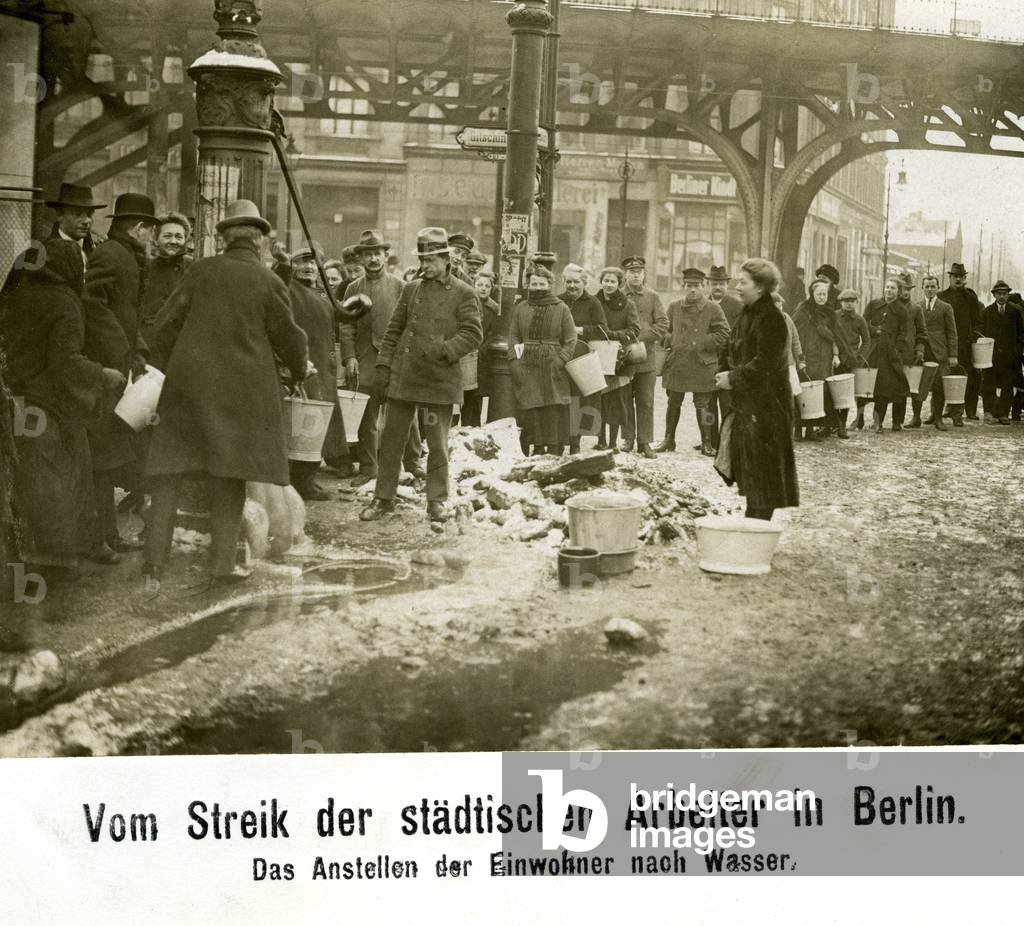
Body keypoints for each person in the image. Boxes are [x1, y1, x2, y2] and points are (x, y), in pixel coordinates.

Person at [143, 200, 309, 586]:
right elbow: (291, 339)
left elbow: (163, 325)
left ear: (225, 239)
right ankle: (222, 565)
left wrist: (176, 367)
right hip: (240, 395)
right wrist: (299, 370)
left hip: (186, 389)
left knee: (170, 470)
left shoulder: (199, 271)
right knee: (228, 474)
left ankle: (153, 561)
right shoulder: (269, 281)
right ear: (258, 242)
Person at [0, 240, 126, 583]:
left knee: (29, 482)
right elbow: (66, 362)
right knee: (56, 482)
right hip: (46, 406)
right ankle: (56, 563)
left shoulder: (14, 295)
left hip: (12, 401)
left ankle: (69, 548)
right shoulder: (64, 303)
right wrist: (103, 375)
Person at [360, 228, 482, 523]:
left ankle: (436, 501)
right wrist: (384, 366)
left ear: (445, 259)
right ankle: (383, 498)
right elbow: (393, 330)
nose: (425, 266)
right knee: (391, 440)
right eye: (422, 260)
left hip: (439, 379)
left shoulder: (464, 292)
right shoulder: (411, 289)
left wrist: (444, 350)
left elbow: (473, 333)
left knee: (437, 444)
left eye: (431, 260)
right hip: (405, 377)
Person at [82, 192, 160, 563]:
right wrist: (121, 352)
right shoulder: (112, 254)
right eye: (151, 230)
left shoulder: (126, 255)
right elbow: (91, 303)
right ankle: (97, 538)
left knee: (109, 456)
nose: (153, 238)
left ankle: (106, 536)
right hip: (106, 373)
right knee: (102, 457)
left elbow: (124, 313)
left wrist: (138, 351)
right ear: (139, 227)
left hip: (120, 368)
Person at [714, 258, 798, 521]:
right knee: (751, 472)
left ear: (760, 287)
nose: (737, 286)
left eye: (743, 282)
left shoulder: (771, 318)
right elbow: (731, 346)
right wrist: (723, 369)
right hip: (749, 405)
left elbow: (765, 364)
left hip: (767, 409)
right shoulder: (747, 312)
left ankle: (758, 528)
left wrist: (733, 377)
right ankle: (754, 522)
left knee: (764, 476)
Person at [340, 229, 424, 484]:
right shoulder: (353, 288)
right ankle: (369, 468)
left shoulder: (401, 286)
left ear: (386, 256)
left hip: (396, 358)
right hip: (365, 359)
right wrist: (350, 357)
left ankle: (412, 461)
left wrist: (407, 356)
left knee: (404, 410)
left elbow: (411, 324)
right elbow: (346, 326)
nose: (373, 259)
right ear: (361, 259)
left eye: (377, 253)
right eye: (368, 255)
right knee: (367, 416)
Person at [275, 245, 350, 500]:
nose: (308, 267)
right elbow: (278, 283)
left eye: (313, 263)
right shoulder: (288, 289)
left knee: (317, 426)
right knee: (300, 423)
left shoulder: (322, 294)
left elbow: (341, 316)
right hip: (302, 366)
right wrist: (283, 264)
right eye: (302, 262)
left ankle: (307, 478)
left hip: (324, 369)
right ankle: (296, 481)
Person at [657, 267, 729, 457]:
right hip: (678, 362)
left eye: (696, 286)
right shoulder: (674, 307)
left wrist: (701, 343)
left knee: (703, 404)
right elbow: (664, 329)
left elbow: (724, 333)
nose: (693, 290)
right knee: (673, 402)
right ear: (684, 286)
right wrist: (671, 339)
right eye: (689, 286)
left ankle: (707, 443)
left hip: (702, 363)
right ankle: (668, 439)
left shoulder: (713, 308)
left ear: (703, 286)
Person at [507, 267, 577, 456]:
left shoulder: (561, 307)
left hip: (553, 362)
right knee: (532, 405)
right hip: (527, 362)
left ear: (549, 285)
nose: (537, 287)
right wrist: (514, 361)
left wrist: (560, 360)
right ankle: (537, 446)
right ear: (528, 285)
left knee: (553, 405)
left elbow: (571, 339)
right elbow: (513, 335)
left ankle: (554, 447)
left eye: (541, 284)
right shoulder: (521, 307)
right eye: (534, 284)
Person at [2, 183, 105, 297]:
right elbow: (9, 300)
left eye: (90, 215)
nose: (86, 221)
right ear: (59, 215)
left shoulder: (97, 254)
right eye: (77, 214)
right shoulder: (33, 255)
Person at [619, 256, 668, 458]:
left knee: (646, 401)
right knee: (625, 400)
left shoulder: (653, 297)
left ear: (644, 274)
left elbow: (663, 324)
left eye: (639, 271)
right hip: (624, 357)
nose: (636, 275)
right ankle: (628, 439)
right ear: (625, 275)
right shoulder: (618, 296)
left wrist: (642, 336)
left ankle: (645, 442)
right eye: (632, 272)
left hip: (647, 359)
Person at [559, 264, 608, 453]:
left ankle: (574, 443)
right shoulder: (558, 301)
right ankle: (559, 439)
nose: (572, 286)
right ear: (563, 282)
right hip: (562, 355)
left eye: (576, 282)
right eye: (569, 282)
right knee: (563, 398)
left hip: (582, 358)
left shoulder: (592, 302)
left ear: (584, 283)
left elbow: (602, 329)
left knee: (579, 399)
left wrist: (580, 330)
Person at [594, 267, 639, 451]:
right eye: (606, 280)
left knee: (616, 400)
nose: (608, 284)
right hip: (597, 355)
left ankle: (613, 442)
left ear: (619, 283)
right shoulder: (594, 301)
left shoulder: (628, 304)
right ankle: (600, 439)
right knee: (599, 399)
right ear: (601, 281)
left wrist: (613, 336)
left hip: (619, 358)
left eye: (613, 281)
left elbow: (634, 329)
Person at [793, 280, 844, 440]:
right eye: (819, 294)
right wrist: (799, 357)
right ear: (812, 294)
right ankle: (798, 431)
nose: (822, 297)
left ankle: (810, 430)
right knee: (802, 392)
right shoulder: (803, 310)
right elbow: (794, 333)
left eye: (824, 294)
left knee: (817, 393)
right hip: (807, 357)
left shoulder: (830, 313)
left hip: (824, 359)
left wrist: (836, 355)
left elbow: (835, 337)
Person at [864, 278, 914, 432]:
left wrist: (897, 349)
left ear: (898, 291)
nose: (889, 291)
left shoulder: (901, 310)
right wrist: (874, 331)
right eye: (887, 287)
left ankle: (896, 422)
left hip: (893, 353)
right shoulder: (874, 304)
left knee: (899, 386)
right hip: (876, 352)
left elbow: (903, 332)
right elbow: (864, 322)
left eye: (892, 288)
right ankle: (878, 422)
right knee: (879, 388)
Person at [938, 262, 984, 421]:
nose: (958, 279)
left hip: (965, 344)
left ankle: (970, 410)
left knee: (970, 376)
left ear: (965, 278)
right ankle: (948, 406)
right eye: (955, 276)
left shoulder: (971, 297)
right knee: (946, 375)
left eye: (961, 276)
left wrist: (973, 337)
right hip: (946, 344)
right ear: (949, 278)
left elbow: (978, 322)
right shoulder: (941, 297)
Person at [140, 213, 192, 344]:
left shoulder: (194, 267)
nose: (173, 241)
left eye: (179, 237)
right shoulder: (145, 268)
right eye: (167, 236)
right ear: (156, 239)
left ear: (185, 239)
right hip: (151, 342)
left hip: (182, 342)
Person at [463, 269, 505, 427]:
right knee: (465, 394)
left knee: (477, 395)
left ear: (491, 288)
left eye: (487, 286)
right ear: (473, 285)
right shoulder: (467, 303)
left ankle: (474, 426)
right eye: (479, 285)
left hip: (482, 357)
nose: (483, 288)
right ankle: (462, 427)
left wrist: (484, 347)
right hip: (466, 353)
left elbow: (495, 333)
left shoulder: (494, 309)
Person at [980, 280, 1024, 425]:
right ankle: (989, 412)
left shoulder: (1016, 311)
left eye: (1004, 294)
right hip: (991, 355)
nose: (1002, 297)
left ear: (1008, 294)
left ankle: (1004, 413)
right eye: (999, 294)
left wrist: (1018, 350)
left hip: (1010, 356)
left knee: (1007, 384)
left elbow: (1022, 333)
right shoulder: (987, 312)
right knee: (989, 384)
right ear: (994, 295)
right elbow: (981, 332)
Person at [917, 275, 958, 431]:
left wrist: (953, 355)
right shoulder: (917, 306)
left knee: (939, 386)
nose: (929, 289)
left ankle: (938, 418)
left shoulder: (945, 307)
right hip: (921, 351)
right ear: (922, 288)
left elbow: (952, 333)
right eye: (927, 286)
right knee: (919, 386)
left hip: (940, 352)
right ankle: (916, 417)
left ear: (938, 288)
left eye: (933, 286)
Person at [835, 289, 873, 431]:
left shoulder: (859, 320)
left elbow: (867, 341)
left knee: (846, 394)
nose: (849, 304)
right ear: (841, 302)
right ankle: (833, 424)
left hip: (851, 361)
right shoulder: (834, 317)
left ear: (856, 302)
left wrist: (860, 357)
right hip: (836, 359)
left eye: (852, 301)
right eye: (846, 301)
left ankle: (843, 425)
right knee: (833, 392)